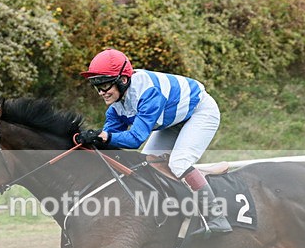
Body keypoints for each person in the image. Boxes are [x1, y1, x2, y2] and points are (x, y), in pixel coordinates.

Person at [78, 48, 232, 233]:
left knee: (179, 163)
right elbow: (109, 140)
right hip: (172, 121)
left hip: (200, 112)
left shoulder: (148, 93)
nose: (101, 92)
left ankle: (217, 217)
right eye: (97, 86)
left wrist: (105, 136)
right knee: (147, 164)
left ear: (123, 80)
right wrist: (94, 139)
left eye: (104, 85)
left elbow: (135, 139)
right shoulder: (116, 105)